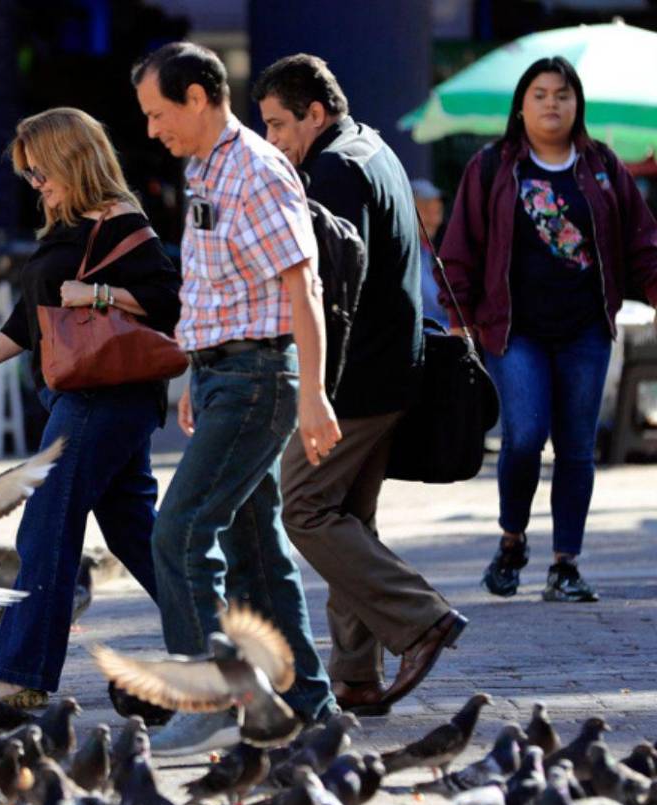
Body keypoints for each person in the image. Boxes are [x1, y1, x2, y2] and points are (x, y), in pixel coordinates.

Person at [0, 108, 181, 708]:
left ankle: (20, 678)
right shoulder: (70, 226)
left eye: (41, 170)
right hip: (82, 395)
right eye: (29, 174)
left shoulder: (122, 224)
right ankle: (229, 648)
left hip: (104, 397)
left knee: (46, 523)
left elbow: (169, 301)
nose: (35, 183)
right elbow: (31, 320)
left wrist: (97, 292)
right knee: (139, 536)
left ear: (72, 158)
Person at [131, 42, 339, 755]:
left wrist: (313, 394)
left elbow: (301, 283)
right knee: (256, 550)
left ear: (199, 98)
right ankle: (311, 705)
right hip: (225, 376)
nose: (153, 129)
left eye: (160, 113)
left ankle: (211, 696)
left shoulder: (255, 168)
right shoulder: (204, 168)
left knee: (180, 532)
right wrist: (195, 370)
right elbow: (213, 283)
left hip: (259, 381)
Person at [254, 54, 467, 717]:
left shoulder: (334, 170)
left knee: (306, 509)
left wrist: (310, 383)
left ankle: (422, 617)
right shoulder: (373, 148)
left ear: (315, 114)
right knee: (348, 518)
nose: (271, 142)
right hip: (392, 368)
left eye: (278, 125)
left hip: (355, 378)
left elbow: (328, 283)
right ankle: (355, 678)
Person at [438, 56, 657, 603]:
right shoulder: (492, 167)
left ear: (577, 103)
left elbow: (643, 244)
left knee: (578, 448)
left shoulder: (603, 167)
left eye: (563, 93)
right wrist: (458, 318)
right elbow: (459, 249)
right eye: (540, 93)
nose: (552, 103)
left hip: (586, 329)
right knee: (525, 438)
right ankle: (512, 541)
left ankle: (566, 565)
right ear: (521, 105)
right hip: (515, 331)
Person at [411, 178, 448, 324]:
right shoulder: (405, 255)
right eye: (426, 211)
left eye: (437, 211)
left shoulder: (428, 252)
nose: (434, 220)